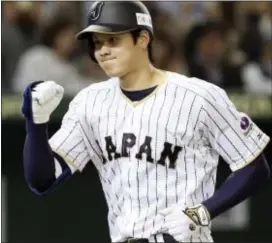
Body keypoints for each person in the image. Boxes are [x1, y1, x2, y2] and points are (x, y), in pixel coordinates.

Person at [21, 1, 271, 243]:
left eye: (113, 40)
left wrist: (202, 213)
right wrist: (36, 124)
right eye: (97, 43)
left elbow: (254, 166)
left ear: (142, 38)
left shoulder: (199, 96)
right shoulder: (89, 102)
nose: (103, 50)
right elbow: (42, 180)